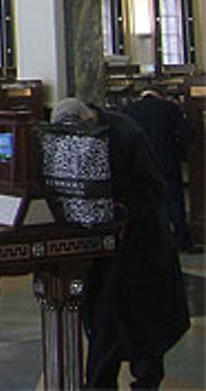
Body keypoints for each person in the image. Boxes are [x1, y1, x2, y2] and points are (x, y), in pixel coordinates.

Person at [52, 98, 190, 390]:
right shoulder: (65, 138)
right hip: (99, 251)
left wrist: (122, 209)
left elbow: (156, 189)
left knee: (145, 331)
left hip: (141, 249)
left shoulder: (126, 133)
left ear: (91, 122)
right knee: (104, 331)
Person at [124, 89, 201, 254]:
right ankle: (183, 242)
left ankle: (152, 244)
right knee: (174, 203)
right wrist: (179, 153)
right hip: (167, 162)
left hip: (141, 165)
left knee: (147, 204)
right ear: (159, 95)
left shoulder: (129, 110)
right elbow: (188, 133)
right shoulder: (168, 108)